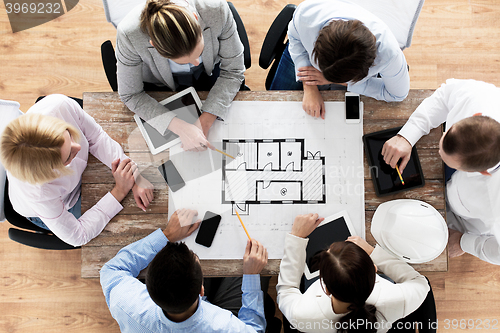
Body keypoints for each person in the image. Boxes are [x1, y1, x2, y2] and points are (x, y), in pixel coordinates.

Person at [0, 94, 154, 247]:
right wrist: (119, 191)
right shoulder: (40, 193)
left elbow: (96, 137)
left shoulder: (59, 106)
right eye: (68, 157)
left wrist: (134, 175)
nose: (79, 147)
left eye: (69, 135)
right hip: (62, 203)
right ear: (51, 172)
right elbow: (79, 235)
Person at [382, 79, 500, 265]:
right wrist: (407, 135)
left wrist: (465, 243)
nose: (438, 149)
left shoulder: (496, 200)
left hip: (463, 221)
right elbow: (445, 96)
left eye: (450, 161)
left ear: (483, 172)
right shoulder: (481, 97)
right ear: (476, 115)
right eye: (446, 134)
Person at [100, 208, 269, 332]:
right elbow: (255, 329)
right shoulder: (225, 326)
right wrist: (252, 275)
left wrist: (166, 235)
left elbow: (111, 270)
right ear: (201, 290)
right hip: (214, 322)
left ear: (149, 290)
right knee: (254, 270)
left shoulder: (129, 306)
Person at [116, 0, 245, 151]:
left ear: (196, 19)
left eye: (199, 52)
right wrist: (181, 128)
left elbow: (234, 70)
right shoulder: (129, 34)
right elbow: (130, 94)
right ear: (155, 46)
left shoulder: (217, 9)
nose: (196, 63)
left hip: (209, 73)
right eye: (184, 61)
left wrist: (205, 121)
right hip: (160, 83)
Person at [277, 213, 430, 332]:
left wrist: (296, 238)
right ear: (375, 269)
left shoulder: (302, 315)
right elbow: (420, 282)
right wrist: (372, 252)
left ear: (326, 288)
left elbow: (286, 291)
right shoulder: (398, 300)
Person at [269, 0, 409, 119]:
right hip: (307, 57)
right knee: (274, 109)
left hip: (348, 76)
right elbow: (294, 38)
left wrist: (342, 83)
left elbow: (397, 95)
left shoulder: (389, 55)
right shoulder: (307, 14)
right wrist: (309, 86)